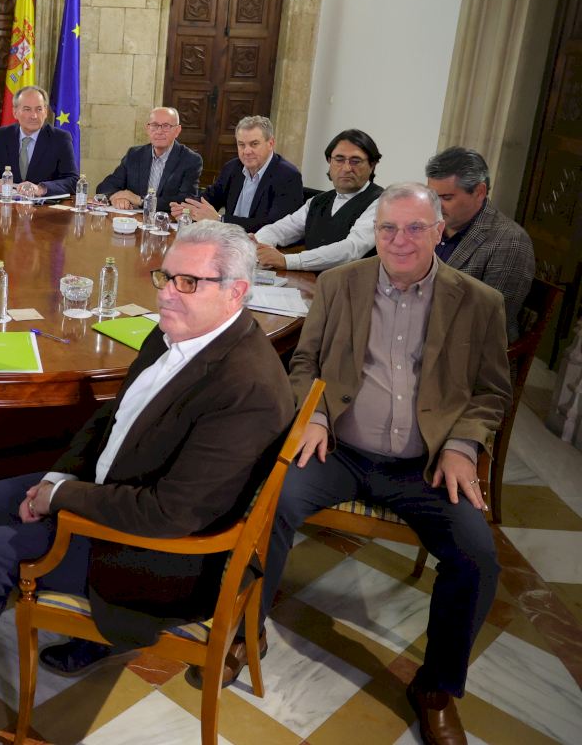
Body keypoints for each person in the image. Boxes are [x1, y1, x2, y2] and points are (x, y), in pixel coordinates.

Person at [0, 221, 294, 702]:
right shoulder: (179, 331)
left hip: (164, 559)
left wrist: (61, 497)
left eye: (188, 282)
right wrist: (58, 477)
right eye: (164, 276)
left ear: (236, 291)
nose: (165, 294)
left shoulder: (246, 388)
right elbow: (111, 417)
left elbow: (169, 514)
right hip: (124, 491)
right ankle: (80, 623)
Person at [239, 183, 509, 745]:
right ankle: (246, 630)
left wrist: (462, 446)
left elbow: (491, 392)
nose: (400, 240)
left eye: (415, 228)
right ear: (374, 232)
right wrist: (313, 416)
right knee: (269, 504)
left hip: (425, 464)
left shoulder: (479, 301)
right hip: (339, 448)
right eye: (388, 228)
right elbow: (305, 361)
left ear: (439, 232)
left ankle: (437, 689)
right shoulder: (340, 284)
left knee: (477, 557)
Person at [426, 146, 534, 342]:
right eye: (432, 196)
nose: (435, 206)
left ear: (479, 192)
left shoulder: (510, 241)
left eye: (446, 198)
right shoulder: (431, 224)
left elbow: (490, 321)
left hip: (463, 346)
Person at [247, 128, 384, 272]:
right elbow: (280, 229)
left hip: (352, 284)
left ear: (372, 165)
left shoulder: (382, 203)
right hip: (309, 281)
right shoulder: (317, 201)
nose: (346, 168)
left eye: (355, 161)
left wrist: (288, 261)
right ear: (330, 162)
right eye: (339, 159)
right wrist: (258, 245)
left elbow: (352, 249)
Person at [178, 115, 302, 232]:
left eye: (254, 144)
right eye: (241, 144)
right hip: (228, 239)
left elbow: (275, 226)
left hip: (261, 243)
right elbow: (210, 199)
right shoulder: (232, 167)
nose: (247, 151)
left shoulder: (288, 176)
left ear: (270, 143)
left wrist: (220, 220)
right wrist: (186, 208)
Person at [0, 85, 79, 198]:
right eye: (27, 109)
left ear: (46, 112)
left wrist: (41, 188)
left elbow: (73, 180)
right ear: (15, 112)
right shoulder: (0, 136)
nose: (34, 116)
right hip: (7, 205)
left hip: (43, 206)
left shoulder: (60, 139)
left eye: (39, 109)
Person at [97, 107, 202, 211]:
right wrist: (117, 198)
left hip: (166, 219)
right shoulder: (134, 154)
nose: (159, 131)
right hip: (132, 219)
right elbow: (105, 187)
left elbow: (186, 201)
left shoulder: (191, 160)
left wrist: (141, 201)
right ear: (148, 129)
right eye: (154, 125)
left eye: (166, 126)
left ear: (177, 131)